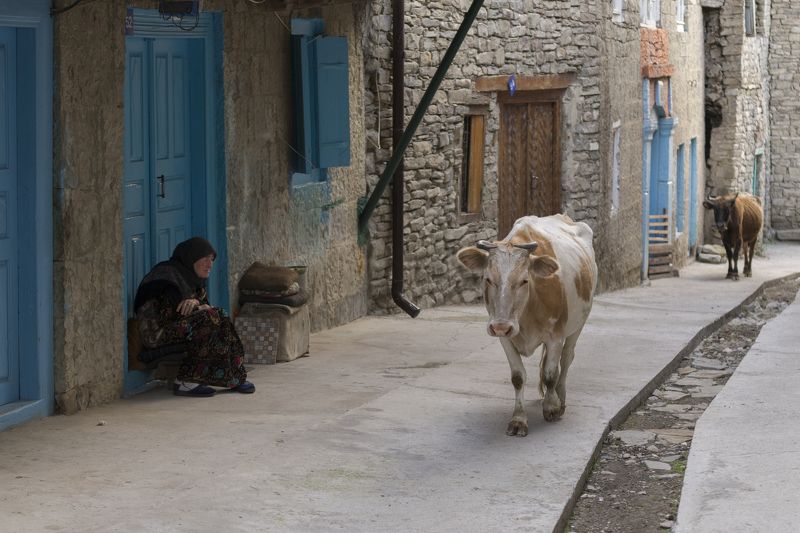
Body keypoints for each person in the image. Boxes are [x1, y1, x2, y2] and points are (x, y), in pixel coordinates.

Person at [133, 237, 255, 397]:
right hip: (156, 335)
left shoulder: (193, 280)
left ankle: (234, 377)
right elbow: (171, 315)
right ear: (191, 258)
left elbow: (204, 309)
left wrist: (197, 303)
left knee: (221, 315)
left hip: (178, 328)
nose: (210, 264)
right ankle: (186, 382)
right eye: (205, 259)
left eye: (212, 260)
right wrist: (199, 306)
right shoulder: (165, 276)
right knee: (210, 318)